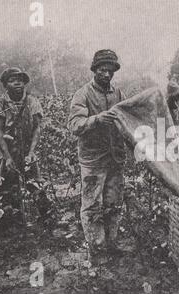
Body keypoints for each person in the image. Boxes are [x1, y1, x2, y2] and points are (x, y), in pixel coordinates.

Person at [68, 49, 127, 266]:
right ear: (94, 70)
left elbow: (127, 120)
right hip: (93, 159)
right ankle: (97, 248)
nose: (107, 74)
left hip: (115, 157)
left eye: (110, 70)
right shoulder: (82, 95)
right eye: (102, 70)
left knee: (114, 202)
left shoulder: (118, 94)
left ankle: (112, 243)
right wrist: (97, 119)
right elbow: (74, 125)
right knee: (92, 204)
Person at [0, 67, 51, 232]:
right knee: (2, 186)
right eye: (12, 80)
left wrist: (32, 152)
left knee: (35, 182)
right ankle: (2, 224)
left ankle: (47, 217)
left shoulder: (32, 102)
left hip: (26, 148)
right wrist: (7, 158)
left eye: (20, 79)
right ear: (6, 85)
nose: (17, 83)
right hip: (4, 149)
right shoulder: (0, 104)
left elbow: (37, 129)